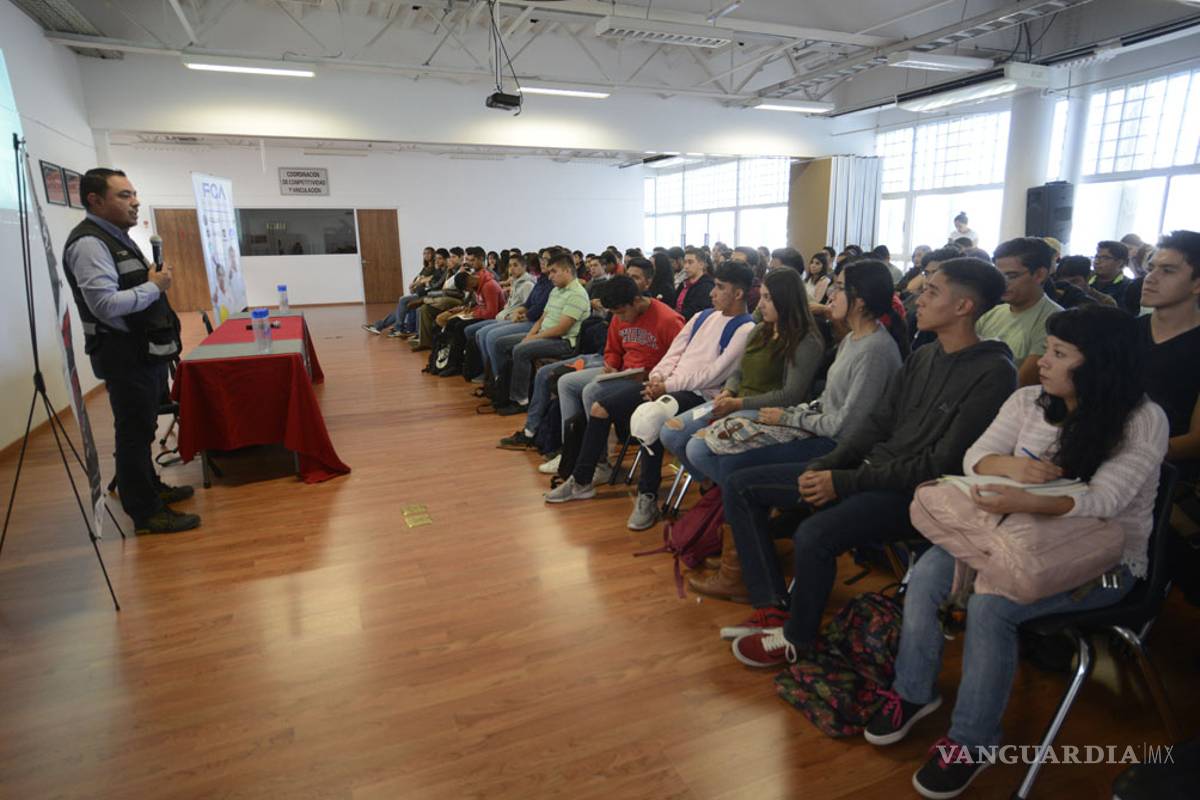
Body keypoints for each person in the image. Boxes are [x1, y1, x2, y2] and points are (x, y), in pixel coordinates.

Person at [870, 305, 1167, 800]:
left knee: (992, 604)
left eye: (1059, 354)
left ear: (1099, 364)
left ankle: (973, 741)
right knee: (928, 573)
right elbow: (975, 458)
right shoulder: (1029, 400)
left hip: (1106, 562)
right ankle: (912, 692)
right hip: (1008, 531)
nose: (1042, 361)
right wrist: (1009, 467)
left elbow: (1106, 502)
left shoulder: (1142, 419)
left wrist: (1027, 499)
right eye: (1047, 349)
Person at [726, 258, 1015, 668]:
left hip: (916, 493)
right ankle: (771, 604)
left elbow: (939, 464)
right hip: (871, 471)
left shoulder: (993, 373)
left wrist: (843, 481)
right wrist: (828, 464)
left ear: (963, 306)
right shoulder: (924, 356)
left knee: (814, 534)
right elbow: (877, 422)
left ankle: (798, 637)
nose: (918, 299)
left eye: (932, 292)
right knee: (740, 485)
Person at [545, 262, 756, 531]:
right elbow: (674, 353)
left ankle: (648, 495)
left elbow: (713, 374)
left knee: (650, 419)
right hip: (668, 384)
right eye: (714, 286)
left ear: (738, 293)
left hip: (700, 394)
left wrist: (667, 386)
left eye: (720, 287)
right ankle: (582, 480)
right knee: (599, 408)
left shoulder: (745, 328)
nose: (712, 293)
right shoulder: (703, 316)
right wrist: (658, 377)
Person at [62, 168, 199, 534]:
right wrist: (154, 287)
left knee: (144, 427)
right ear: (95, 200)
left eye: (134, 194)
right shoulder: (90, 244)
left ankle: (148, 488)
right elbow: (105, 305)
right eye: (124, 195)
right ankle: (146, 512)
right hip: (124, 355)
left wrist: (152, 281)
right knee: (134, 433)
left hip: (142, 352)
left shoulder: (116, 237)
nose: (135, 202)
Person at [685, 260, 906, 487]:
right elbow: (827, 401)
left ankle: (725, 497)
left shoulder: (874, 351)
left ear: (860, 301)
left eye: (839, 288)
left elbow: (845, 427)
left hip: (838, 445)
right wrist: (735, 393)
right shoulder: (852, 338)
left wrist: (787, 418)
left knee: (728, 466)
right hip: (816, 425)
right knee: (706, 450)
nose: (831, 295)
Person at [661, 268, 825, 483]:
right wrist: (728, 391)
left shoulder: (805, 341)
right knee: (670, 432)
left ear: (786, 300)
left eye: (768, 298)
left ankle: (731, 489)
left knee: (697, 449)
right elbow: (739, 370)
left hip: (767, 410)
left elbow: (790, 395)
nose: (760, 304)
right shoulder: (761, 330)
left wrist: (737, 403)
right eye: (762, 297)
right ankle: (713, 484)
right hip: (737, 401)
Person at [501, 275, 685, 454]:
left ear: (636, 301)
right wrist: (611, 365)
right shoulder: (618, 316)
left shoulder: (669, 320)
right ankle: (569, 451)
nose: (620, 319)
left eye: (622, 313)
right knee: (566, 382)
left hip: (650, 381)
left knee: (592, 391)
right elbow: (613, 349)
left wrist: (656, 378)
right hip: (622, 372)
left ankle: (597, 458)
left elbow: (680, 361)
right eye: (615, 314)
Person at [1137, 230, 1200, 480]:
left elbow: (1196, 440)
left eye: (1168, 271)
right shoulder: (1123, 333)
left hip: (1171, 474)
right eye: (1151, 268)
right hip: (1104, 458)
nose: (1150, 278)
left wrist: (1129, 455)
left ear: (1197, 284)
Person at [494, 253, 590, 414]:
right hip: (545, 335)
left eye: (553, 271)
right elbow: (541, 319)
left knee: (521, 350)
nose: (549, 276)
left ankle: (521, 400)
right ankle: (502, 388)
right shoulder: (556, 290)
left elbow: (561, 329)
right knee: (501, 343)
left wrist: (532, 338)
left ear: (567, 271)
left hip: (564, 342)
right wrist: (530, 336)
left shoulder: (577, 294)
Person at [976, 237, 1063, 387]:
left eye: (1012, 276)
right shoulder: (991, 313)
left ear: (1039, 275)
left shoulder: (1055, 320)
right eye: (999, 275)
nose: (1002, 283)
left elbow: (1022, 382)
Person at [675, 246, 716, 320]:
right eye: (685, 262)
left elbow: (694, 313)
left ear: (701, 265)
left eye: (690, 262)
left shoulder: (706, 287)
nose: (686, 266)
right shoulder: (684, 283)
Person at [1090, 240, 1131, 306]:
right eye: (1096, 257)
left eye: (1105, 258)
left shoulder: (1129, 287)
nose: (1097, 262)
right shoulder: (1085, 280)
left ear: (1120, 263)